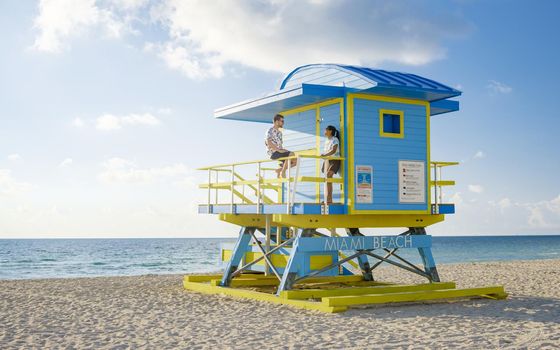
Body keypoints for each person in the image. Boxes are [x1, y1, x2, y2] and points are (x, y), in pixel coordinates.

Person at [321, 125, 341, 204]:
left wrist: (325, 155)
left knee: (329, 176)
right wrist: (324, 156)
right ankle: (328, 198)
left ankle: (329, 198)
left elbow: (334, 150)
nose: (325, 131)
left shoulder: (335, 139)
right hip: (328, 160)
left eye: (326, 129)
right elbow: (327, 151)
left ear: (330, 131)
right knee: (327, 179)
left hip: (335, 160)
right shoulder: (326, 140)